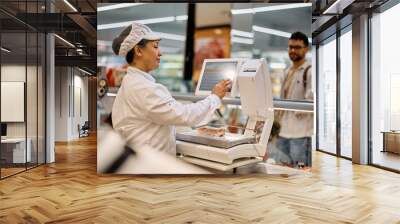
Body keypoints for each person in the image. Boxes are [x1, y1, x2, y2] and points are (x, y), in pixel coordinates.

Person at [111, 23, 231, 155]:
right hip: (150, 165)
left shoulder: (133, 82)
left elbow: (165, 117)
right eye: (155, 46)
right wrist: (215, 97)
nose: (160, 53)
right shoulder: (143, 88)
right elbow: (184, 115)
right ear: (138, 51)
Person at [276, 31, 313, 168]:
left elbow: (312, 101)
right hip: (283, 132)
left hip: (301, 133)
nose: (292, 50)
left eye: (297, 47)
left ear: (306, 49)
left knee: (300, 172)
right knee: (283, 171)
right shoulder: (286, 72)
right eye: (290, 47)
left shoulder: (310, 71)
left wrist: (295, 109)